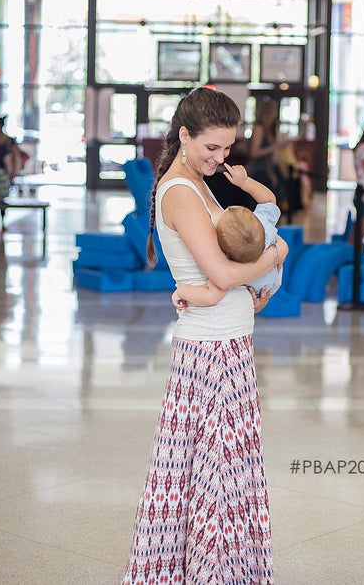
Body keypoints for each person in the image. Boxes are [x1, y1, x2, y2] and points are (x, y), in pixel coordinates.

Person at [121, 87, 288, 585]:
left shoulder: (198, 181)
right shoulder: (182, 191)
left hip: (225, 340)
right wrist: (275, 255)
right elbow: (221, 270)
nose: (221, 158)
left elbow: (224, 270)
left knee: (218, 473)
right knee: (215, 476)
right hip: (212, 349)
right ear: (184, 135)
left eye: (227, 149)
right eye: (211, 147)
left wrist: (247, 284)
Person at [172, 164, 282, 308]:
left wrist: (182, 291)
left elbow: (210, 296)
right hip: (268, 283)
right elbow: (269, 200)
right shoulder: (264, 225)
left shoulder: (230, 265)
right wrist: (245, 182)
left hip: (257, 287)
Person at [247, 97, 287, 194]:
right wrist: (275, 146)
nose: (276, 115)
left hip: (265, 171)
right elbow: (254, 152)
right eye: (274, 111)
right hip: (258, 171)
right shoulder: (259, 128)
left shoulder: (268, 129)